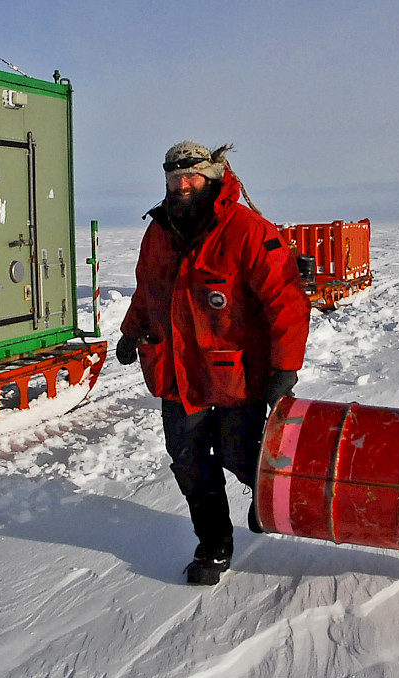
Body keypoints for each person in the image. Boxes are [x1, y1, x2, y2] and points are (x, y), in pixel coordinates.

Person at [117, 141, 311, 586]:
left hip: (234, 376)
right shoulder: (159, 231)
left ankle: (265, 500)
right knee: (188, 462)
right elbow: (148, 289)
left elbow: (286, 302)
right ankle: (213, 544)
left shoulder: (247, 230)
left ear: (213, 178)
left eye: (192, 177)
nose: (182, 187)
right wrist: (131, 330)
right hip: (176, 375)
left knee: (240, 455)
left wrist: (285, 367)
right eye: (174, 179)